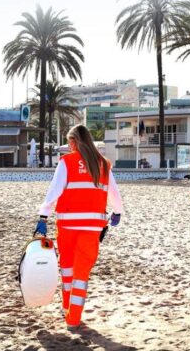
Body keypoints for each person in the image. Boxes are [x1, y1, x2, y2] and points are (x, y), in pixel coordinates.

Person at [36, 124, 124, 330]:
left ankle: (67, 306)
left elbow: (54, 191)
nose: (68, 146)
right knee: (81, 274)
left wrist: (43, 215)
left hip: (67, 225)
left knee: (67, 268)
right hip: (93, 228)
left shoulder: (67, 162)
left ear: (75, 141)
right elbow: (114, 193)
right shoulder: (103, 164)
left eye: (69, 141)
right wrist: (117, 212)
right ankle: (73, 318)